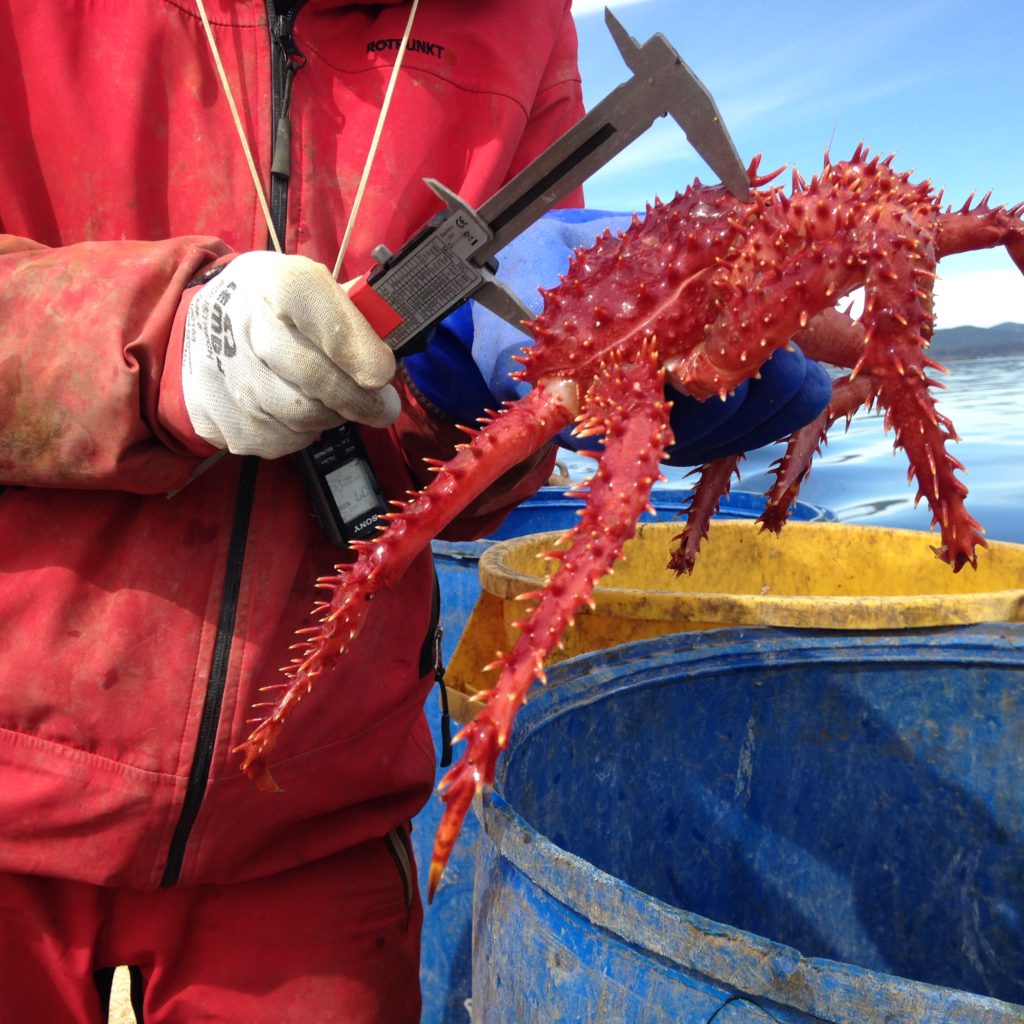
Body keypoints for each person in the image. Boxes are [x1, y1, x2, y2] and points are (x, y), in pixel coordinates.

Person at [0, 2, 829, 1021]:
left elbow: (473, 478)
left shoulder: (523, 27)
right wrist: (154, 338)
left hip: (314, 819)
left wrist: (461, 390)